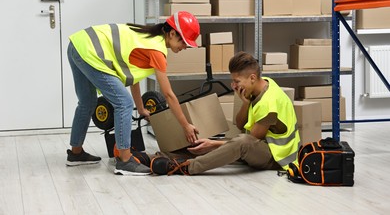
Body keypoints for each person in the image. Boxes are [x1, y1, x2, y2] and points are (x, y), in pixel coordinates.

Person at [66, 11, 201, 175]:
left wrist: (141, 108)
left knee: (87, 102)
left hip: (77, 45)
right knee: (123, 103)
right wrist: (186, 126)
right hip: (89, 52)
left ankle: (76, 153)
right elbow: (168, 95)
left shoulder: (148, 36)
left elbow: (133, 77)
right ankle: (125, 161)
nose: (185, 47)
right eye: (184, 42)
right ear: (172, 33)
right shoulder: (157, 50)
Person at [150, 51, 301, 175]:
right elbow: (241, 124)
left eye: (237, 81)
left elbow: (249, 141)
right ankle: (158, 159)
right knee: (207, 145)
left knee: (236, 143)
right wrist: (245, 103)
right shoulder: (261, 84)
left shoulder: (269, 104)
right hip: (260, 146)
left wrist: (214, 144)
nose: (233, 85)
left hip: (276, 158)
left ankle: (188, 168)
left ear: (253, 78)